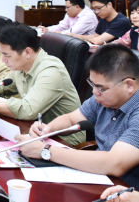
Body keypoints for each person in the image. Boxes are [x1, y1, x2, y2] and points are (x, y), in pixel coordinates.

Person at [16, 44, 139, 187]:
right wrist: (47, 129)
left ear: (129, 85)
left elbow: (114, 163)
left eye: (100, 88)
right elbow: (70, 119)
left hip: (125, 189)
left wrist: (44, 151)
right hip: (98, 177)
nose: (94, 92)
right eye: (92, 84)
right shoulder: (103, 99)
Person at [0, 22, 84, 146]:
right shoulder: (22, 65)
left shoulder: (50, 71)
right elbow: (3, 85)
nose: (3, 60)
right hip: (34, 130)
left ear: (27, 52)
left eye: (7, 55)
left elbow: (27, 110)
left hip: (64, 140)